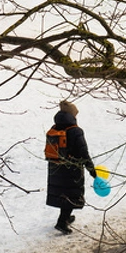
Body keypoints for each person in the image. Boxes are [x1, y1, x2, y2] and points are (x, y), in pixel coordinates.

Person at [46, 100, 96, 234]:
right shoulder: (75, 131)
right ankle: (62, 223)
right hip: (72, 169)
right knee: (71, 195)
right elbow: (83, 152)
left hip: (56, 168)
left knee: (64, 195)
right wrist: (92, 170)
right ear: (72, 116)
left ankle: (66, 218)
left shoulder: (54, 128)